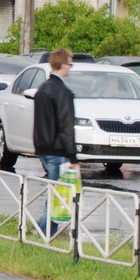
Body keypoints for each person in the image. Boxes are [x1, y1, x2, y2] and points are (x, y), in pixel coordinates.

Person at [33, 48, 78, 182]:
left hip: (42, 147)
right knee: (57, 193)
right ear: (63, 65)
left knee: (54, 190)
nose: (70, 68)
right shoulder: (62, 92)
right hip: (57, 149)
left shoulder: (42, 88)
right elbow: (66, 125)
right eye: (70, 65)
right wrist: (72, 155)